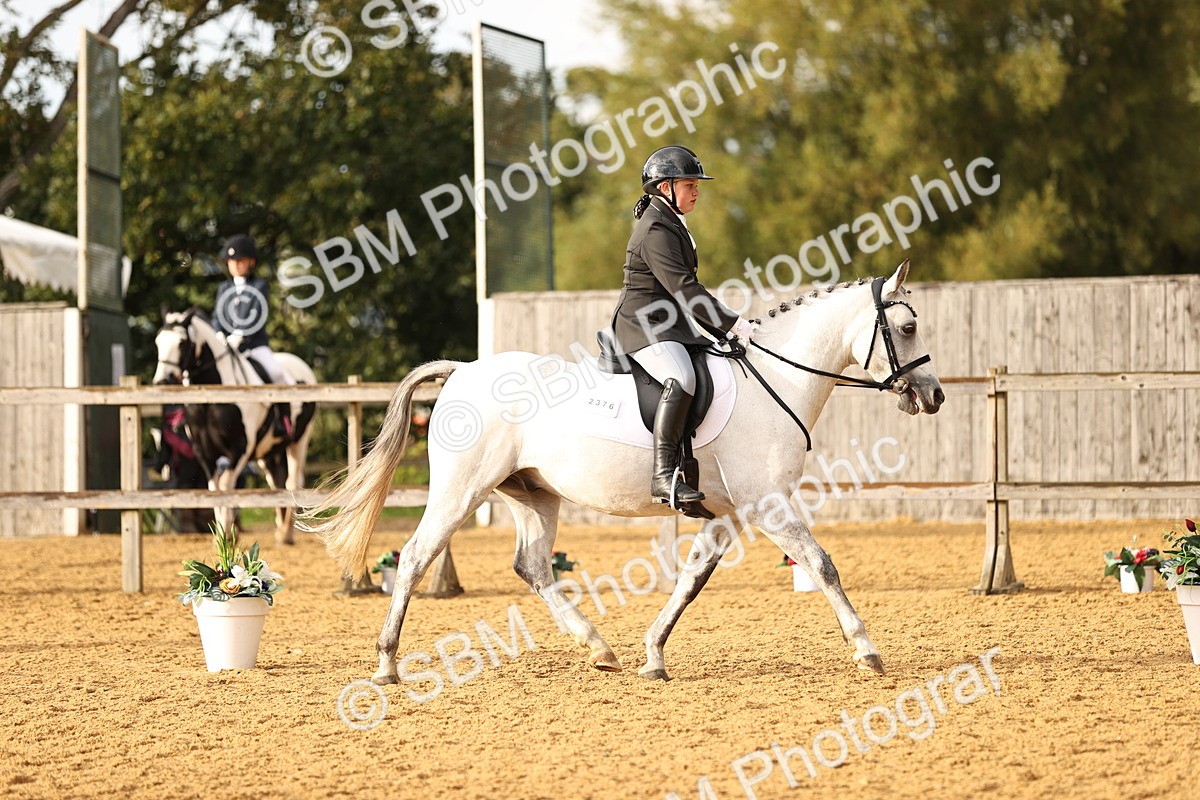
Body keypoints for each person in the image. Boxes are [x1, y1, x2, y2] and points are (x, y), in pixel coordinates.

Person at [610, 145, 755, 512]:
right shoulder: (656, 228)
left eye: (695, 184)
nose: (696, 191)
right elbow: (684, 288)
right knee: (682, 377)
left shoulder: (672, 222)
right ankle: (663, 475)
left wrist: (720, 334)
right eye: (689, 184)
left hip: (670, 326)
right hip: (644, 326)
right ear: (665, 188)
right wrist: (732, 323)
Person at [212, 233, 294, 438]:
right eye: (232, 261)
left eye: (240, 260)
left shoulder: (260, 286)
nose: (236, 265)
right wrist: (220, 336)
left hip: (254, 347)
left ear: (251, 262)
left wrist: (240, 334)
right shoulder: (224, 289)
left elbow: (257, 314)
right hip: (227, 349)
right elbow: (216, 317)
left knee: (276, 374)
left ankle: (283, 421)